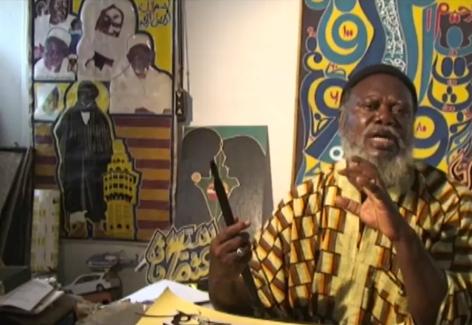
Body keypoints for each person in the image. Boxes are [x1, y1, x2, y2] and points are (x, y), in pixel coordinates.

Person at [208, 64, 472, 324]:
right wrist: (221, 276)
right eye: (370, 106)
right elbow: (251, 307)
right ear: (343, 121)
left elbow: (454, 313)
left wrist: (403, 238)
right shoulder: (302, 205)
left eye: (400, 111)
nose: (385, 118)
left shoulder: (453, 205)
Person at [54, 81, 113, 238]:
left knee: (96, 194)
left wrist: (100, 159)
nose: (87, 99)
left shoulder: (100, 118)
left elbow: (106, 142)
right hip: (74, 166)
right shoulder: (69, 116)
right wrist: (73, 152)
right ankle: (77, 225)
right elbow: (60, 135)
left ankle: (98, 225)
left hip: (94, 166)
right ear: (79, 96)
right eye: (84, 95)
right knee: (74, 194)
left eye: (90, 96)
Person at [110, 33, 172, 114]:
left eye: (144, 53)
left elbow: (166, 108)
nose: (139, 58)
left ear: (151, 56)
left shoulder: (164, 80)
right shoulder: (117, 82)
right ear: (129, 57)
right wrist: (135, 111)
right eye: (135, 54)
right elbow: (114, 110)